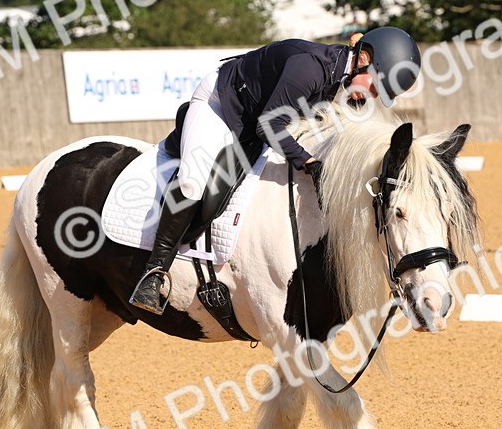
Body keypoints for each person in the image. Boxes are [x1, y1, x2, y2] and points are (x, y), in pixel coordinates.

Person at [128, 26, 422, 315]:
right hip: (221, 106)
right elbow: (269, 125)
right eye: (375, 86)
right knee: (193, 183)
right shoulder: (309, 68)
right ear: (363, 60)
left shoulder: (344, 78)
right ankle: (153, 271)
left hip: (257, 117)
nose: (370, 96)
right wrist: (307, 162)